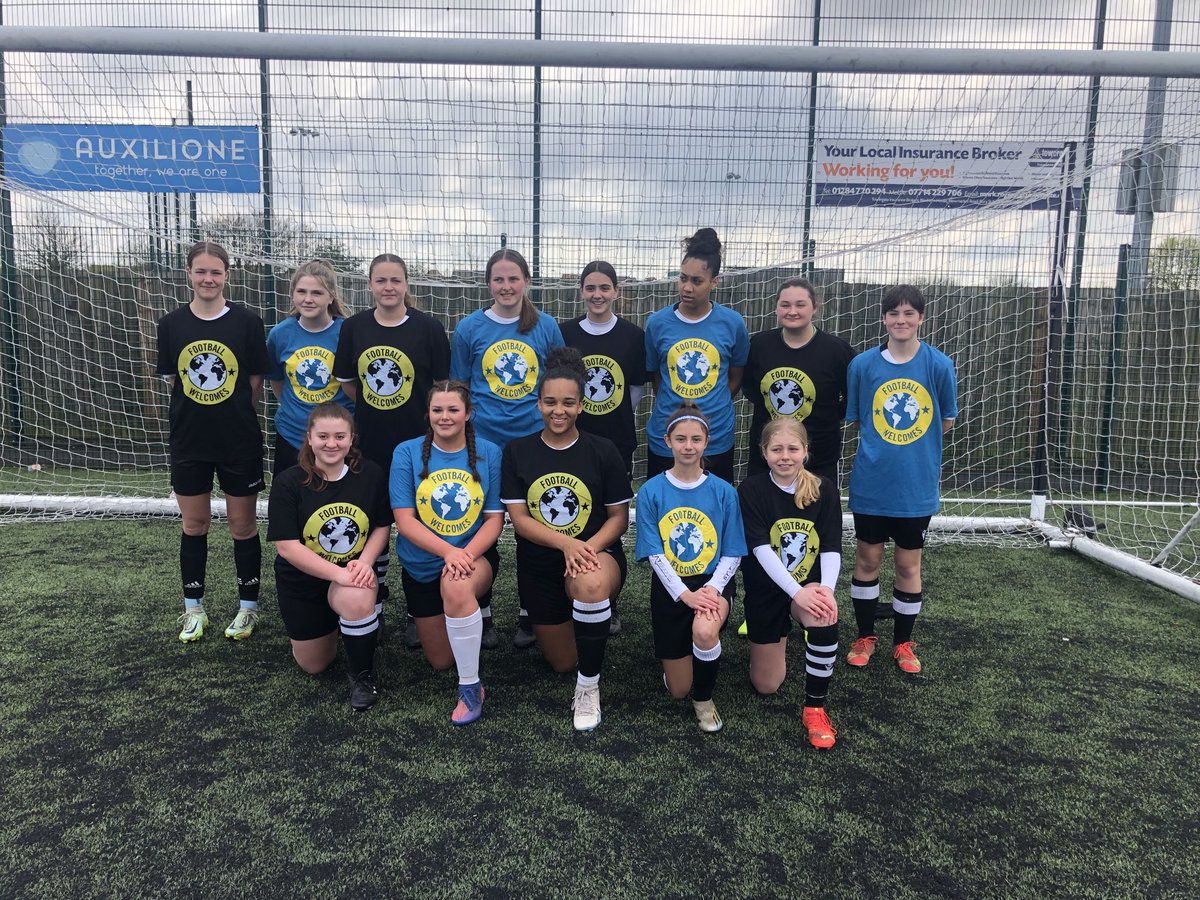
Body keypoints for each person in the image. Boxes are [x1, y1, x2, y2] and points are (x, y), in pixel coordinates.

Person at [501, 347, 632, 731]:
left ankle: (588, 689)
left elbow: (618, 518)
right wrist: (565, 544)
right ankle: (588, 625)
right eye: (551, 402)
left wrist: (584, 548)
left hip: (596, 555)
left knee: (589, 586)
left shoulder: (602, 450)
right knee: (561, 662)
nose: (559, 410)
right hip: (541, 565)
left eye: (569, 403)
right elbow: (520, 521)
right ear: (538, 403)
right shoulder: (518, 451)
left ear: (581, 406)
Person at [333, 253, 451, 652]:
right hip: (372, 446)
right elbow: (352, 386)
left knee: (424, 525)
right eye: (381, 280)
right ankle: (374, 603)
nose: (388, 287)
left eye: (395, 280)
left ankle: (419, 613)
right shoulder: (354, 328)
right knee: (376, 525)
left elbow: (441, 388)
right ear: (370, 285)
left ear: (406, 285)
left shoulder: (429, 329)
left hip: (421, 448)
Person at [451, 248, 564, 648]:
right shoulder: (469, 329)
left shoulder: (546, 326)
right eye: (498, 279)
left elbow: (559, 386)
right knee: (479, 524)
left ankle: (531, 613)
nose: (506, 286)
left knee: (535, 527)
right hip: (484, 443)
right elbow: (460, 387)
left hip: (534, 443)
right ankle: (481, 612)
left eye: (513, 279)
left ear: (527, 282)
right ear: (488, 284)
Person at [845, 284, 958, 675]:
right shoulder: (862, 365)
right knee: (867, 559)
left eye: (909, 313)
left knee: (909, 566)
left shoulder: (939, 365)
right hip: (872, 485)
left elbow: (944, 419)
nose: (901, 320)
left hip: (915, 487)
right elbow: (860, 419)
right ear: (884, 318)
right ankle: (864, 636)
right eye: (894, 313)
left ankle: (904, 642)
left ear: (921, 318)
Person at [157, 241, 266, 643]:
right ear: (189, 274)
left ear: (226, 275)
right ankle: (194, 610)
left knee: (242, 526)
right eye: (201, 271)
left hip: (238, 440)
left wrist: (235, 411)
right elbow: (175, 380)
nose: (208, 279)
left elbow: (254, 381)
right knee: (194, 524)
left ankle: (248, 609)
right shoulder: (171, 325)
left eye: (215, 272)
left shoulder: (247, 323)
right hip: (190, 441)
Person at [737, 275, 854, 634]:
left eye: (800, 304)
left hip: (815, 459)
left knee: (810, 535)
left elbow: (847, 402)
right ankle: (759, 607)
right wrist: (781, 442)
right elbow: (754, 393)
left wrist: (803, 443)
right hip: (770, 457)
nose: (792, 311)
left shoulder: (837, 351)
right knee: (763, 534)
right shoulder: (760, 346)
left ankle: (810, 601)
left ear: (814, 308)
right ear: (776, 308)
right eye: (785, 304)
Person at [391, 381, 504, 726]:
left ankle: (470, 689)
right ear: (428, 414)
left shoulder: (490, 452)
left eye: (453, 409)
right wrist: (447, 552)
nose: (445, 417)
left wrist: (463, 555)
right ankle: (467, 618)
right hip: (422, 565)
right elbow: (404, 520)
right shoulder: (406, 452)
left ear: (468, 414)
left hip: (473, 557)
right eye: (437, 410)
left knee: (456, 585)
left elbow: (494, 520)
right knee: (440, 660)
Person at [267, 403, 390, 711]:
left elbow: (381, 526)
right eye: (323, 436)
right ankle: (340, 625)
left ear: (351, 439)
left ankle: (362, 676)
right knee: (315, 665)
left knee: (356, 597)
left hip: (351, 574)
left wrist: (364, 563)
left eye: (339, 436)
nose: (331, 444)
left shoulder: (371, 475)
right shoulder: (288, 482)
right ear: (310, 438)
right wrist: (337, 574)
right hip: (303, 581)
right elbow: (287, 547)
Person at [635, 402, 746, 733]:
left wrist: (711, 589)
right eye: (680, 439)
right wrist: (685, 594)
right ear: (667, 441)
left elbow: (733, 552)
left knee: (704, 631)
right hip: (672, 588)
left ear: (706, 442)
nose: (688, 446)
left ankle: (705, 699)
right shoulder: (651, 491)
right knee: (676, 689)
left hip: (713, 584)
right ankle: (682, 671)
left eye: (695, 439)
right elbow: (655, 554)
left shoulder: (724, 492)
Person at [737, 419, 841, 750]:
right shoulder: (751, 489)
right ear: (764, 453)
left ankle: (814, 708)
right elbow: (760, 550)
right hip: (767, 590)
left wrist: (825, 592)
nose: (785, 456)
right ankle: (778, 634)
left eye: (793, 449)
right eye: (777, 449)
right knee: (766, 685)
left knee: (824, 614)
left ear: (805, 452)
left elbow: (830, 547)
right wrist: (795, 592)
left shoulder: (823, 488)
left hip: (805, 589)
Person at [559, 260, 647, 636]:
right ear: (581, 292)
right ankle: (560, 593)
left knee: (609, 517)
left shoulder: (632, 335)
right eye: (590, 288)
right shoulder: (564, 333)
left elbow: (636, 392)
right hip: (570, 442)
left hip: (615, 441)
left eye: (604, 288)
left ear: (616, 292)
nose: (597, 295)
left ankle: (607, 600)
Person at [644, 228, 749, 484]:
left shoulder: (732, 323)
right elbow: (657, 376)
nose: (687, 287)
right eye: (683, 278)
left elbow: (735, 377)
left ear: (715, 281)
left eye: (697, 281)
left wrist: (710, 402)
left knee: (713, 514)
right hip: (665, 436)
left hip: (715, 437)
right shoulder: (657, 323)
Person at [266, 259, 354, 476]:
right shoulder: (280, 334)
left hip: (338, 441)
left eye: (316, 293)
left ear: (331, 296)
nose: (307, 299)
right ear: (293, 294)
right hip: (292, 435)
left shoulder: (348, 332)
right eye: (301, 291)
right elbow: (277, 381)